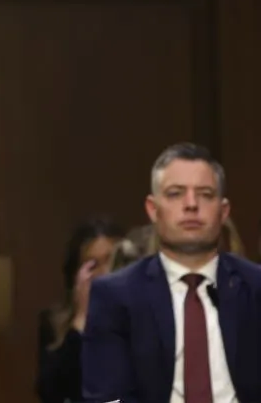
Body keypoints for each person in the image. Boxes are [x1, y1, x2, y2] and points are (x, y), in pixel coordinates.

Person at [81, 143, 261, 403]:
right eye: (176, 194)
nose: (191, 205)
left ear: (223, 212)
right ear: (153, 209)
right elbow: (107, 396)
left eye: (205, 194)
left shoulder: (255, 288)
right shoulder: (115, 297)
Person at [36, 217, 124, 403]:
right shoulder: (54, 322)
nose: (103, 274)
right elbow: (50, 392)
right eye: (93, 265)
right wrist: (82, 319)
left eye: (110, 261)